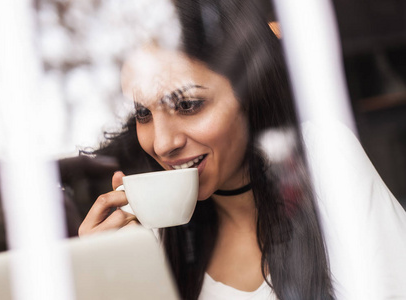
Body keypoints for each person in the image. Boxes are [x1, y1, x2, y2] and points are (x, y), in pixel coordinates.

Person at [78, 1, 406, 299]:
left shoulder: (322, 156)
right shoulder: (153, 238)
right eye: (143, 113)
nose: (163, 144)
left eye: (188, 104)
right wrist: (110, 278)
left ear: (251, 94)